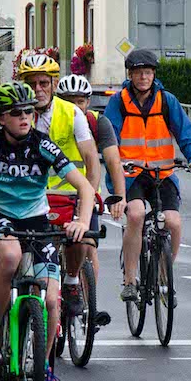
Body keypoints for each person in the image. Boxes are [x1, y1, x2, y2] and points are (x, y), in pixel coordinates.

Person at [0, 82, 96, 381]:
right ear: (1, 117)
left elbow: (85, 188)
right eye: (16, 113)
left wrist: (81, 222)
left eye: (29, 112)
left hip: (37, 220)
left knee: (50, 300)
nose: (25, 117)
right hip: (1, 216)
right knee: (10, 257)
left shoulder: (43, 145)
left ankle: (45, 369)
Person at [102, 49, 191, 303]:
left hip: (162, 172)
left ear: (153, 74)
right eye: (138, 73)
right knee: (136, 215)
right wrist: (115, 170)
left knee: (173, 222)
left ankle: (164, 276)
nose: (143, 77)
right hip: (131, 174)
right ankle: (129, 280)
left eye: (147, 73)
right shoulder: (119, 102)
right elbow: (110, 138)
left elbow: (185, 131)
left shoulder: (167, 101)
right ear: (130, 75)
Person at [18, 54, 101, 316]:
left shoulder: (72, 112)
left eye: (44, 83)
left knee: (79, 239)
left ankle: (72, 281)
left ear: (54, 85)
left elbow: (91, 159)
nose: (38, 89)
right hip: (31, 196)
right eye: (32, 84)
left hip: (68, 194)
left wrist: (92, 196)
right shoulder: (18, 113)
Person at [56, 73, 127, 284]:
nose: (75, 107)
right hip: (52, 195)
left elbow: (113, 162)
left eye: (80, 101)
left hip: (83, 195)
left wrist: (119, 196)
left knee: (87, 245)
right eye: (69, 101)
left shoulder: (98, 123)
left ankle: (89, 309)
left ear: (88, 101)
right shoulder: (49, 121)